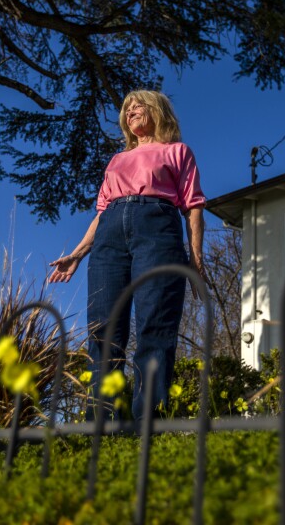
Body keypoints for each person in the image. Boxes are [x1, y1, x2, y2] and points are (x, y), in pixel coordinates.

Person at [48, 89, 206, 421]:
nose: (130, 111)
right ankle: (101, 421)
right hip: (109, 235)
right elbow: (102, 211)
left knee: (155, 323)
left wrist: (195, 258)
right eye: (127, 109)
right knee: (103, 327)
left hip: (158, 228)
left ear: (157, 111)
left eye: (138, 106)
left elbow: (193, 207)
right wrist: (77, 254)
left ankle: (149, 420)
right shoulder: (117, 160)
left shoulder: (177, 151)